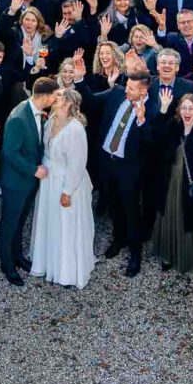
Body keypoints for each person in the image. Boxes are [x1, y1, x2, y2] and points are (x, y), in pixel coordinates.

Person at [79, 66, 153, 277]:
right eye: (127, 86)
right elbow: (91, 100)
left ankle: (135, 253)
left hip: (128, 168)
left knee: (131, 209)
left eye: (131, 88)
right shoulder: (117, 93)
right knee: (113, 204)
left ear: (143, 91)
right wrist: (80, 79)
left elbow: (151, 144)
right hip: (106, 161)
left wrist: (142, 121)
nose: (126, 90)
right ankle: (118, 239)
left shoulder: (154, 108)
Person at [29, 88, 95, 289]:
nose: (53, 98)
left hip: (67, 183)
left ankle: (66, 272)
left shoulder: (75, 129)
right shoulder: (51, 120)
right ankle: (47, 263)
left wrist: (67, 191)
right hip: (48, 180)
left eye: (58, 96)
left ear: (67, 103)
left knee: (66, 225)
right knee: (50, 222)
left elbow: (77, 164)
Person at [0, 77, 59, 286]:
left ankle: (17, 255)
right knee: (9, 223)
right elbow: (10, 153)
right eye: (55, 96)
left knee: (20, 221)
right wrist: (34, 170)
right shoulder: (19, 118)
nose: (56, 100)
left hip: (29, 181)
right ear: (46, 97)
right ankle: (7, 264)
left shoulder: (37, 112)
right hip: (16, 183)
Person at [153, 92, 193, 273]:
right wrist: (163, 109)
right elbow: (156, 135)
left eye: (191, 108)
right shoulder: (174, 125)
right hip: (171, 180)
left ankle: (187, 255)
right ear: (179, 110)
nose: (187, 112)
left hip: (190, 185)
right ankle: (168, 254)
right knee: (169, 216)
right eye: (184, 108)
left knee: (188, 218)